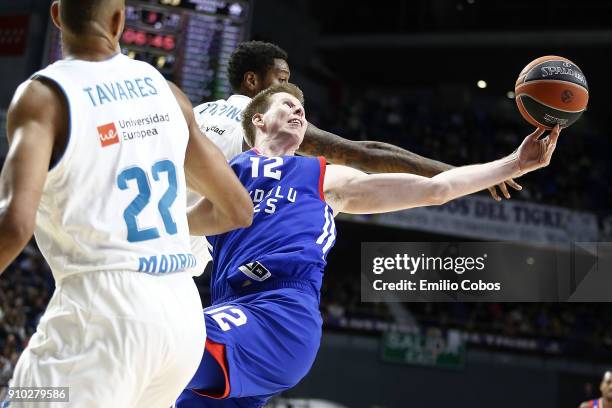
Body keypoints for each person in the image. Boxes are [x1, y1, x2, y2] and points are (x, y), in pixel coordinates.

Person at [177, 83, 561, 407]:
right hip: (231, 310)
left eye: (303, 108)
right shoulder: (228, 176)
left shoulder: (323, 176)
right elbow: (173, 225)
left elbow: (435, 190)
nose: (299, 111)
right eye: (287, 104)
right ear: (257, 120)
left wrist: (515, 163)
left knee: (171, 338)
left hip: (280, 315)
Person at [0, 0, 252, 406]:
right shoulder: (168, 94)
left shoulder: (43, 96)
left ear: (56, 14)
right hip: (181, 316)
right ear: (119, 21)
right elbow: (237, 210)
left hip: (103, 313)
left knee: (25, 395)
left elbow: (15, 224)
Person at [188, 40, 520, 271]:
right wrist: (455, 170)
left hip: (164, 232)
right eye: (282, 80)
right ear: (252, 81)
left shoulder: (199, 111)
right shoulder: (265, 118)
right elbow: (365, 153)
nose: (288, 90)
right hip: (187, 252)